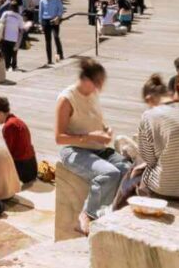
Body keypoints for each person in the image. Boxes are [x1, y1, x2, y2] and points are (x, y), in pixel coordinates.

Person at [55, 58, 129, 235]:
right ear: (87, 80)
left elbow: (96, 120)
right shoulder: (67, 99)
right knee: (109, 173)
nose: (100, 88)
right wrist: (89, 137)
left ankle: (113, 210)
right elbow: (59, 138)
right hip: (73, 150)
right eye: (99, 83)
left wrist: (106, 129)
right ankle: (88, 214)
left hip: (98, 148)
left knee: (128, 169)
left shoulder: (92, 93)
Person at [114, 75, 179, 206]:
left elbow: (149, 160)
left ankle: (115, 209)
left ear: (149, 99)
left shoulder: (149, 116)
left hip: (166, 191)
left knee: (135, 169)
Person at [0, 96, 37, 184]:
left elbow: (6, 153)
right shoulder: (17, 121)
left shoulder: (9, 126)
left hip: (23, 170)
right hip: (31, 167)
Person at [37, 0, 65, 66]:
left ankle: (59, 54)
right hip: (46, 20)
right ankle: (49, 59)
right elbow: (40, 12)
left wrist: (58, 17)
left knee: (56, 37)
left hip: (54, 19)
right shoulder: (42, 1)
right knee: (48, 41)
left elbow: (61, 9)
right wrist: (41, 23)